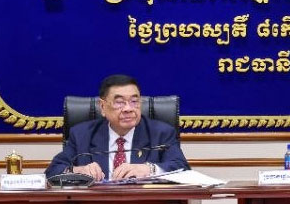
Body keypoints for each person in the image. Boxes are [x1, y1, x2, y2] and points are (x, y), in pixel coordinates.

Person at [46, 74, 189, 180]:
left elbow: (183, 169)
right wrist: (79, 171)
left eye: (134, 101)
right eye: (119, 102)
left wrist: (149, 169)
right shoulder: (81, 135)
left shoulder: (161, 133)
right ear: (102, 107)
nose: (128, 108)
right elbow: (52, 172)